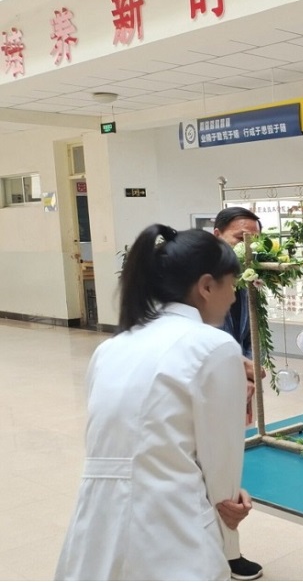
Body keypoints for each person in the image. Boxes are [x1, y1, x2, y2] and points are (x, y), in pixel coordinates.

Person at [56, 225, 252, 580]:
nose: (234, 298)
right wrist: (230, 531)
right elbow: (222, 468)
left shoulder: (111, 347)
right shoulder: (215, 346)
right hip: (171, 528)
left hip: (95, 527)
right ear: (207, 286)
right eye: (232, 285)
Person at [213, 206, 265, 581]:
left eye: (254, 239)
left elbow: (246, 334)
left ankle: (230, 552)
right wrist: (235, 370)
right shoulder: (202, 281)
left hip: (235, 382)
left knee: (229, 467)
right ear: (217, 235)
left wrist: (247, 372)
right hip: (210, 386)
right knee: (214, 469)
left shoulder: (245, 277)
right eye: (240, 237)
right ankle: (222, 553)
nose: (248, 246)